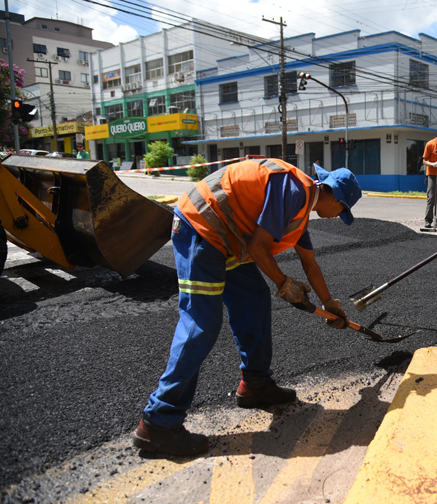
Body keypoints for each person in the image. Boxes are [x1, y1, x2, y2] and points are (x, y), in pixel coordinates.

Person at [133, 158, 362, 455]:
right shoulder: (294, 191)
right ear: (335, 198)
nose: (337, 217)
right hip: (201, 228)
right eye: (342, 211)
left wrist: (330, 303)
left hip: (226, 238)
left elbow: (310, 263)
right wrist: (284, 283)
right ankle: (159, 421)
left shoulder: (301, 207)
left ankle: (256, 383)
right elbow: (258, 247)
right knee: (202, 323)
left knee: (254, 298)